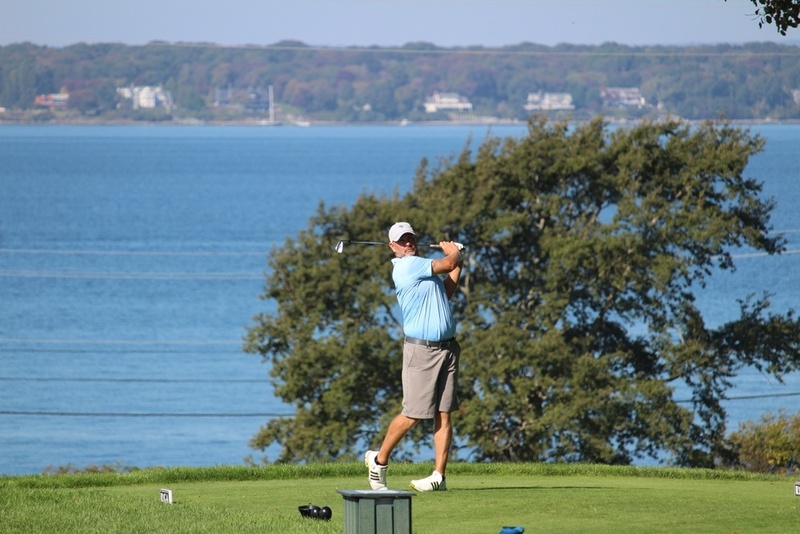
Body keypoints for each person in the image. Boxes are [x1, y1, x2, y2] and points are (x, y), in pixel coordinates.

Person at [365, 221, 465, 492]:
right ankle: (379, 461)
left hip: (447, 349)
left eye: (410, 238)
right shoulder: (407, 266)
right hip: (422, 351)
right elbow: (447, 263)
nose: (408, 243)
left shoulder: (424, 271)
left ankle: (438, 477)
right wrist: (453, 253)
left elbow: (447, 290)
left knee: (444, 414)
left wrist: (459, 260)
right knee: (413, 414)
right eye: (402, 240)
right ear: (393, 246)